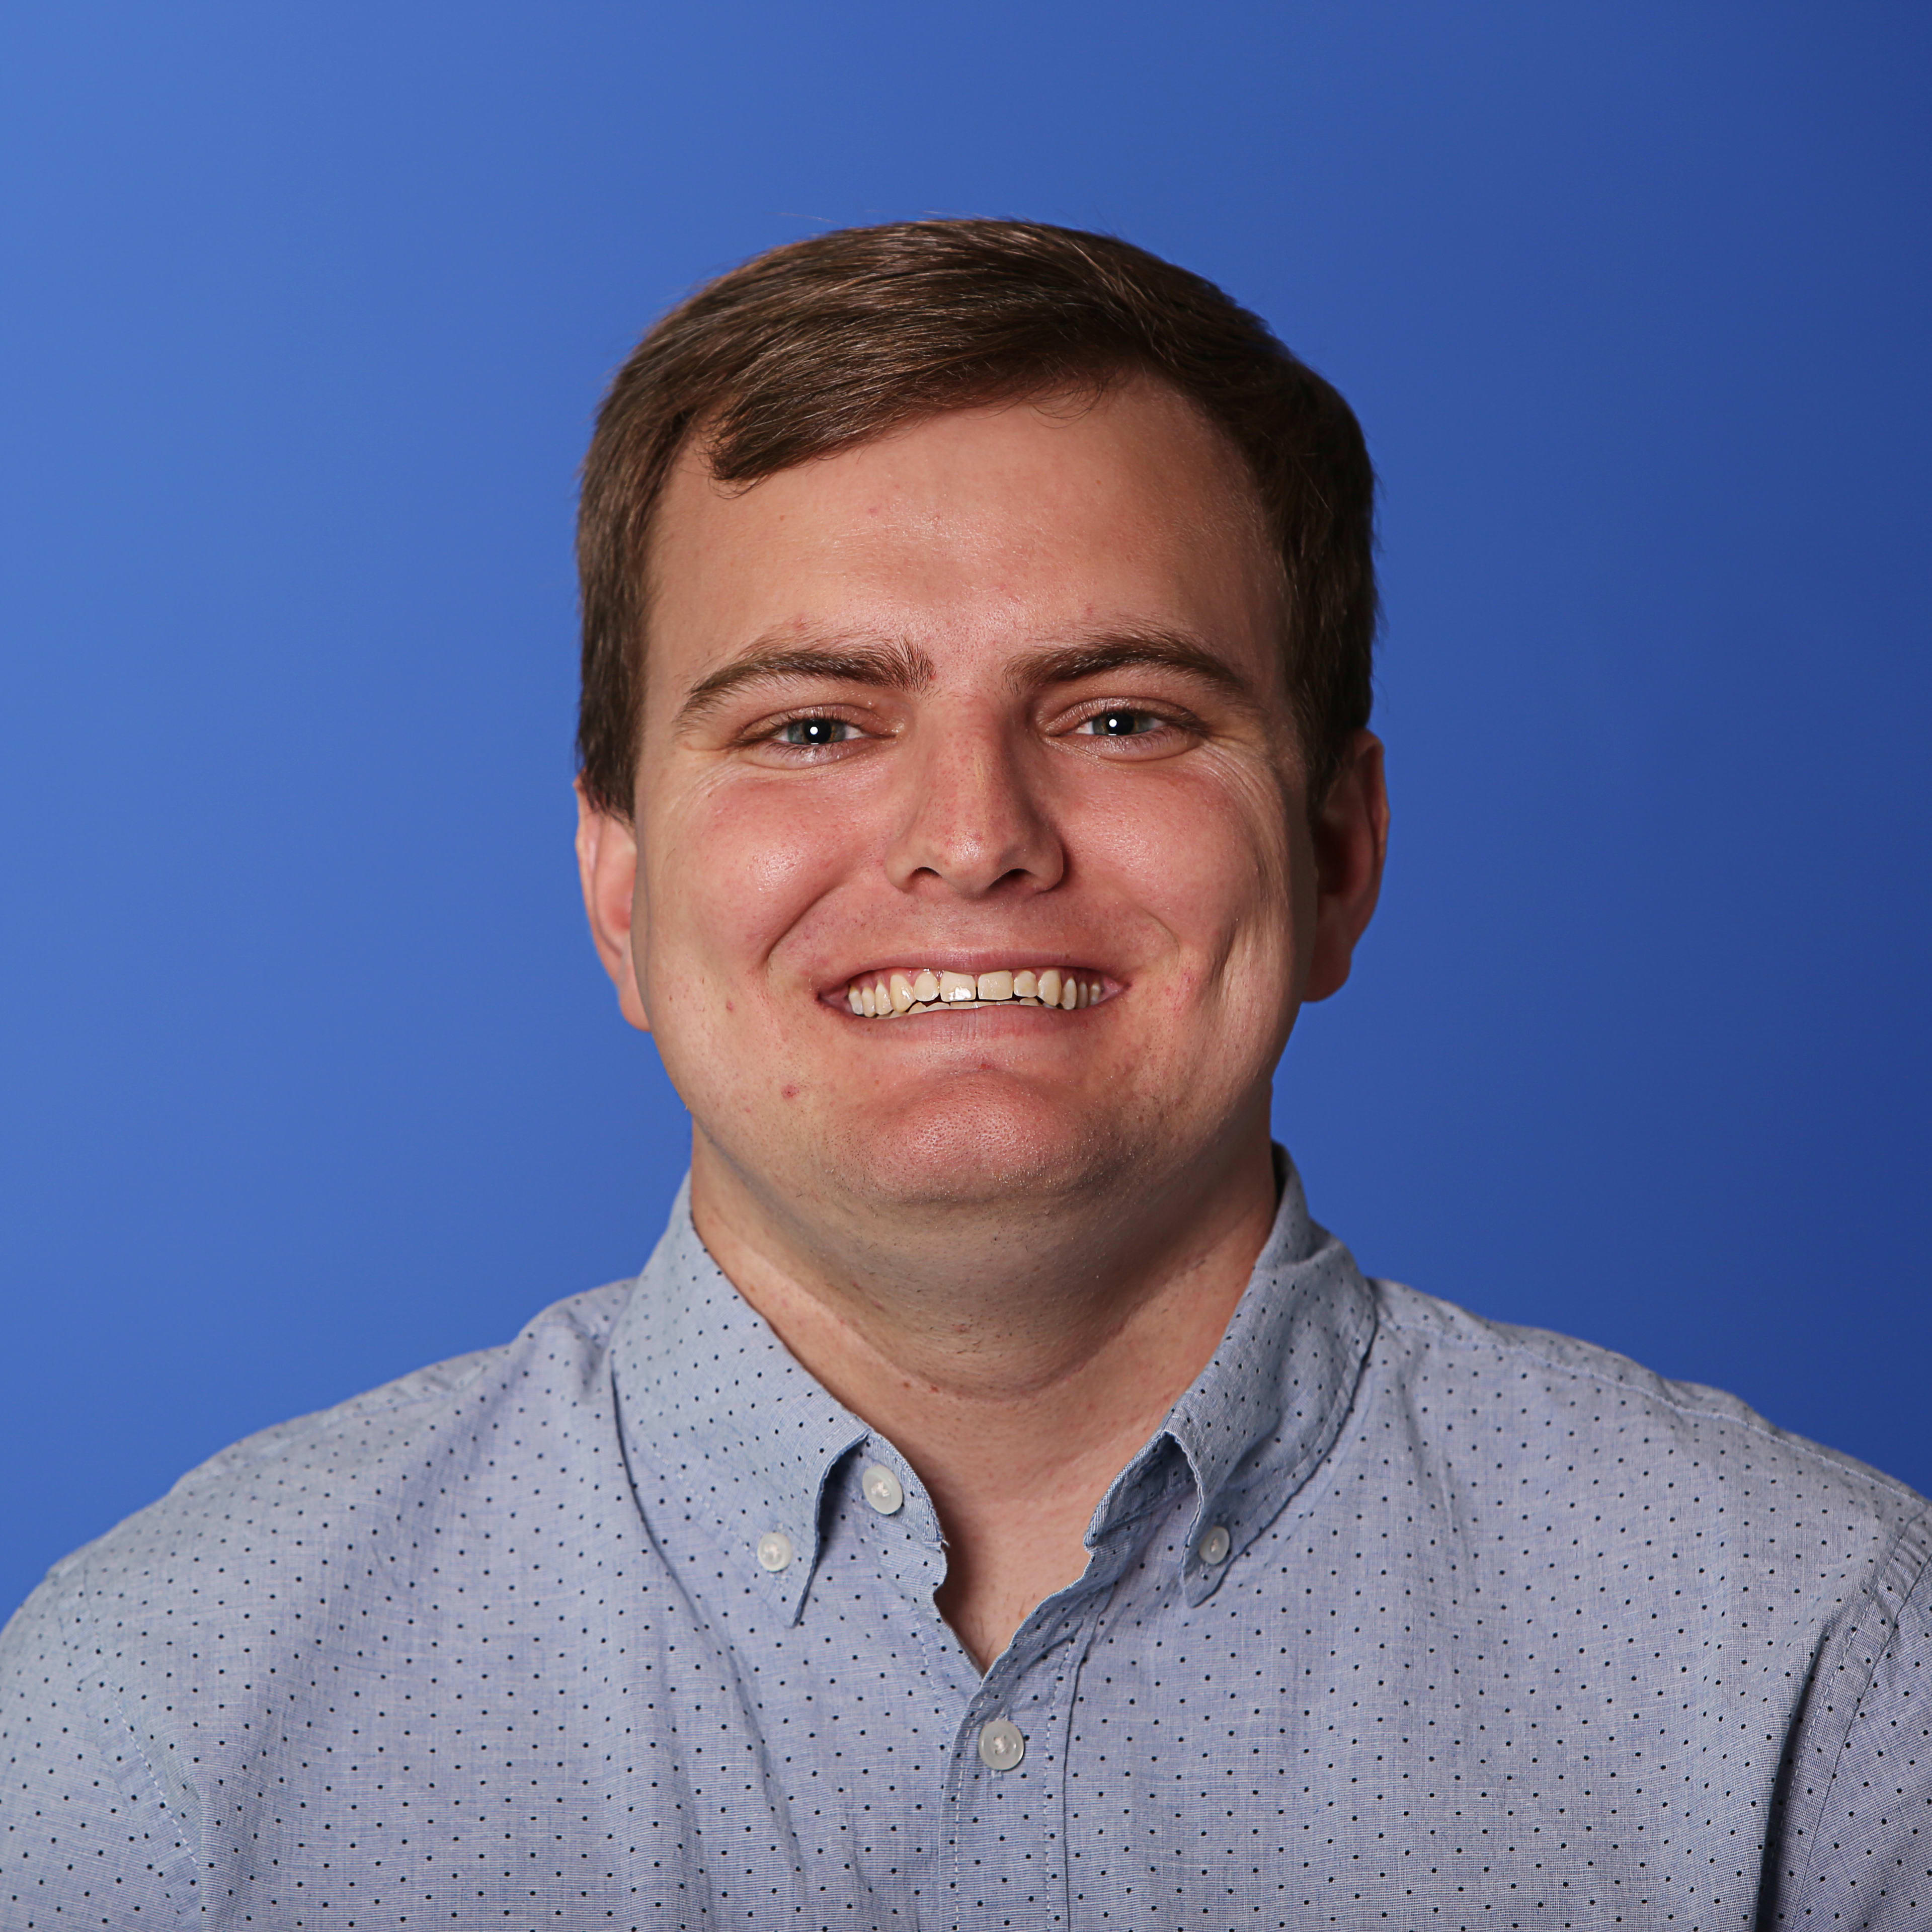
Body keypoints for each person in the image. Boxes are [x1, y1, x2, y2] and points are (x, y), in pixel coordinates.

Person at [3, 219, 1925, 1931]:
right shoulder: (156, 1715)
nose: (973, 838)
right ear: (619, 888)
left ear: (1339, 855)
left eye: (1122, 714)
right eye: (817, 722)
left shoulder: (1818, 1675)